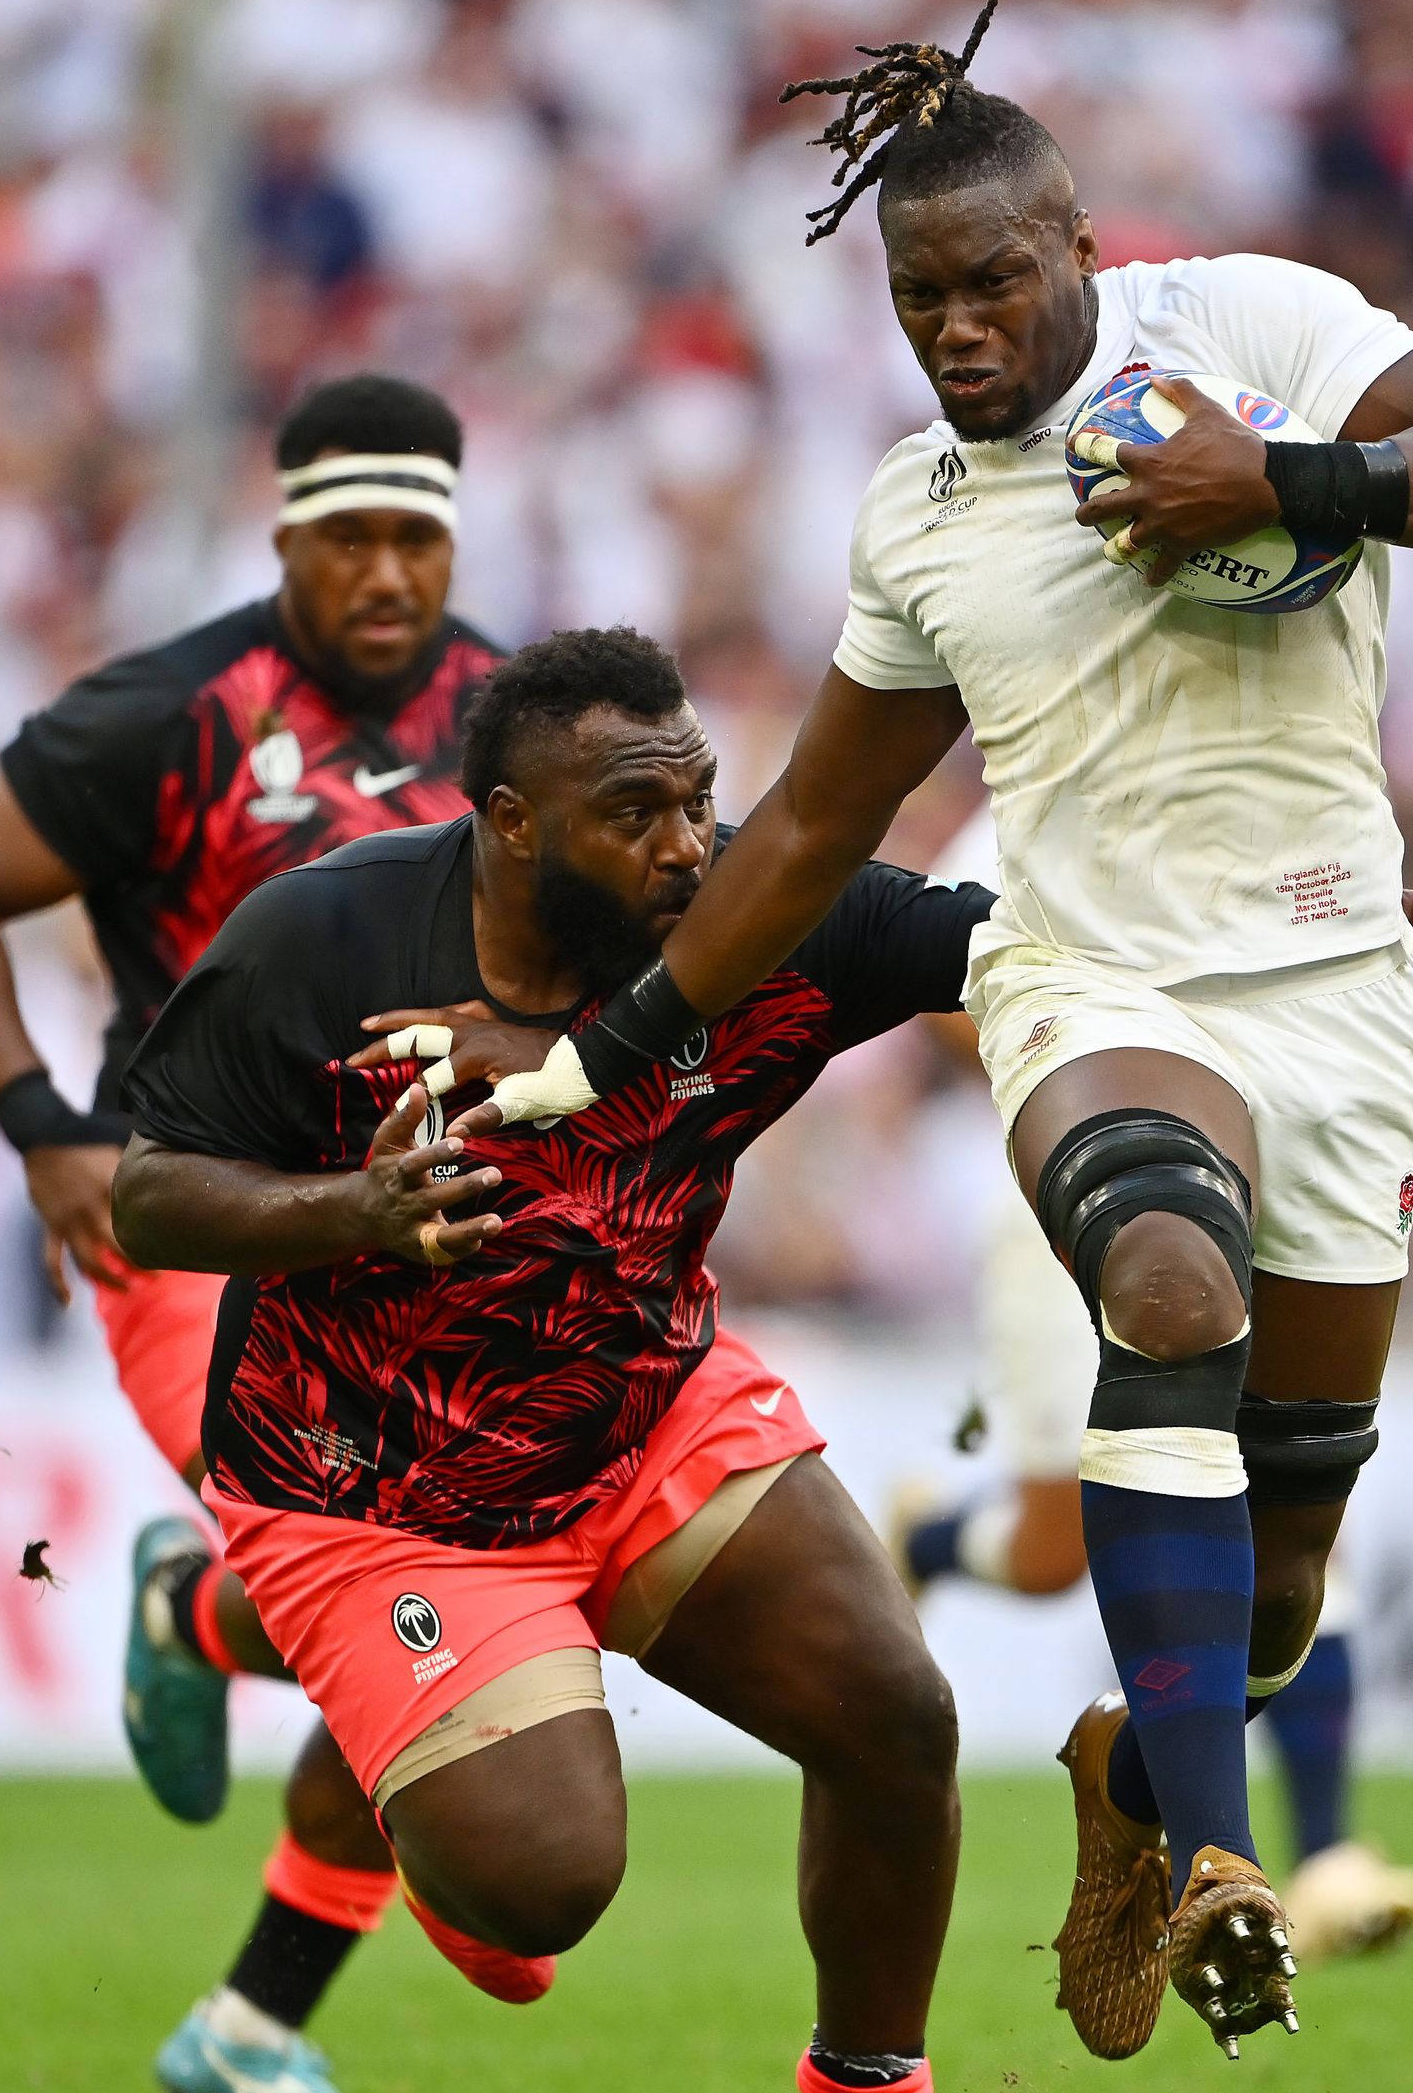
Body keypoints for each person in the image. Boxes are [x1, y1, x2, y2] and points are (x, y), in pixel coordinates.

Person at [416, 0, 1413, 2056]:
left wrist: (1290, 481)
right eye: (915, 299)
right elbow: (810, 829)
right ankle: (1229, 1861)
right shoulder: (923, 514)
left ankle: (1135, 1785)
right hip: (1091, 978)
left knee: (1286, 1569)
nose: (951, 331)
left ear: (1080, 253)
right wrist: (610, 1056)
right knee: (1160, 1268)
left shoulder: (1249, 326)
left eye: (986, 285)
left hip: (1336, 989)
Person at [115, 628, 972, 2093]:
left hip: (644, 1411)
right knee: (541, 1881)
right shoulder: (329, 939)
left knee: (895, 1715)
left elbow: (1037, 948)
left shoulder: (766, 917)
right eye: (637, 816)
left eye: (700, 800)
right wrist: (353, 1212)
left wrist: (1341, 942)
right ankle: (263, 1629)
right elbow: (149, 1192)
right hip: (374, 1496)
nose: (691, 847)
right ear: (509, 824)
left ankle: (866, 2083)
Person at [0, 374, 508, 2093]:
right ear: (285, 534)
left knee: (451, 1601)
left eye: (418, 538)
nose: (387, 572)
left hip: (438, 1237)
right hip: (202, 1223)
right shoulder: (170, 711)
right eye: (351, 537)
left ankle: (206, 1646)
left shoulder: (518, 716)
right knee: (417, 1601)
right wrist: (40, 1127)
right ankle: (251, 2021)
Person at [885, 815, 1413, 1965]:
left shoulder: (1282, 779)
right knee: (1049, 1555)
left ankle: (1317, 1852)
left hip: (1266, 1178)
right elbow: (941, 993)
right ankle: (932, 1539)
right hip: (1082, 1202)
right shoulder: (1034, 806)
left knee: (1291, 1525)